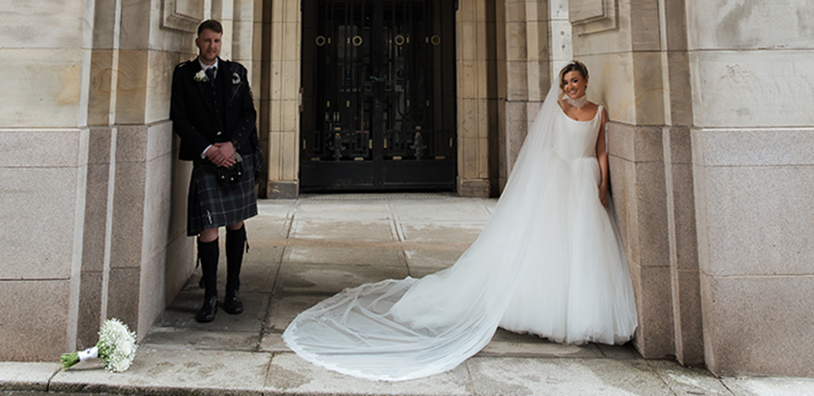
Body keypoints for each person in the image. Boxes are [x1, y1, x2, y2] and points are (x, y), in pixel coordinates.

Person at [282, 60, 637, 381]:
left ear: (587, 80)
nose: (571, 87)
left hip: (584, 180)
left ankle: (579, 312)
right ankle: (543, 307)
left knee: (583, 247)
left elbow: (600, 150)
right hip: (559, 181)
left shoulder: (600, 112)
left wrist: (603, 182)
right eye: (566, 82)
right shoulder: (557, 109)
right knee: (550, 242)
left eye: (575, 81)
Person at [170, 19, 262, 323]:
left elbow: (249, 113)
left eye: (217, 41)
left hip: (236, 156)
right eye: (208, 41)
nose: (213, 46)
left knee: (235, 223)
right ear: (197, 42)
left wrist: (232, 145)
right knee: (208, 229)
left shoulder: (236, 72)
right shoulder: (184, 75)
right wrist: (209, 150)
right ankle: (210, 296)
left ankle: (232, 291)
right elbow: (179, 118)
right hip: (207, 158)